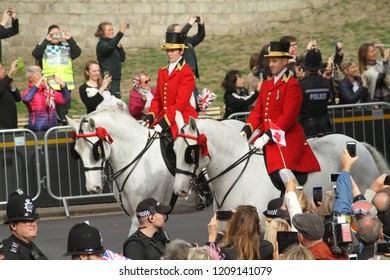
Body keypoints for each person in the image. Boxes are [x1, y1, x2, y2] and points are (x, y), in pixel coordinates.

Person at [241, 41, 320, 191]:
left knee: (283, 170)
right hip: (267, 136)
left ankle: (295, 198)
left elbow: (288, 117)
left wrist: (267, 136)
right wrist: (246, 130)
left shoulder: (292, 84)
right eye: (270, 61)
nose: (271, 64)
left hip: (285, 137)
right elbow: (258, 112)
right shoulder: (266, 83)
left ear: (285, 61)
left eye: (275, 61)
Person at [142, 32, 197, 137]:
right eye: (167, 50)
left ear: (181, 51)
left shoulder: (186, 72)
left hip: (181, 119)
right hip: (165, 117)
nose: (169, 54)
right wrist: (150, 116)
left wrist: (165, 122)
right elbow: (158, 99)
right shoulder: (162, 71)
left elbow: (181, 103)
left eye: (172, 51)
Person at [32, 24, 81, 125]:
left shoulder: (67, 46)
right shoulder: (44, 46)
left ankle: (62, 126)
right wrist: (46, 40)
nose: (55, 36)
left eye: (57, 34)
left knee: (63, 111)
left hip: (65, 84)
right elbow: (36, 54)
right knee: (51, 110)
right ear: (48, 34)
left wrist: (70, 39)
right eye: (52, 34)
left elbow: (77, 52)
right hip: (50, 83)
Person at [208, 205, 274, 260]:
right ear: (258, 225)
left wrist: (212, 237)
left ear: (233, 226)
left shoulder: (223, 253)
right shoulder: (268, 248)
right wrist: (245, 217)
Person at [1, 189, 48, 260]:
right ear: (13, 225)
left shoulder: (28, 245)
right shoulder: (10, 254)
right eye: (28, 221)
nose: (33, 224)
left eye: (34, 220)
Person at [22, 65, 71, 132]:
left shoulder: (49, 91)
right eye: (37, 75)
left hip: (52, 127)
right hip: (37, 128)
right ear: (30, 78)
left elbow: (66, 100)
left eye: (41, 74)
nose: (40, 76)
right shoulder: (28, 91)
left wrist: (63, 85)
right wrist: (38, 84)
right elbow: (26, 99)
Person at [298, 48, 333, 137]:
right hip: (324, 126)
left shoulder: (301, 84)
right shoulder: (327, 82)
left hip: (307, 128)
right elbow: (330, 99)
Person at [95, 21, 128, 99]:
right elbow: (109, 48)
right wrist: (120, 32)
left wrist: (120, 48)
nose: (112, 32)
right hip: (108, 79)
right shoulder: (102, 44)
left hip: (116, 78)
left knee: (116, 100)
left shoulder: (113, 44)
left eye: (112, 30)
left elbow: (122, 58)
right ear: (102, 32)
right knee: (111, 101)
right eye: (109, 30)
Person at [167, 15, 205, 80]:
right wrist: (190, 23)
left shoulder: (186, 41)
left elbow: (200, 36)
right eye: (178, 31)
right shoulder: (173, 43)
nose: (180, 32)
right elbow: (180, 36)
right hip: (181, 76)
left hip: (191, 76)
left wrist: (201, 25)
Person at [0, 59, 21, 129]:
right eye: (1, 69)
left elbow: (18, 98)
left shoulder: (5, 83)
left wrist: (11, 85)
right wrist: (10, 74)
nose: (4, 71)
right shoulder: (3, 84)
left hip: (11, 123)